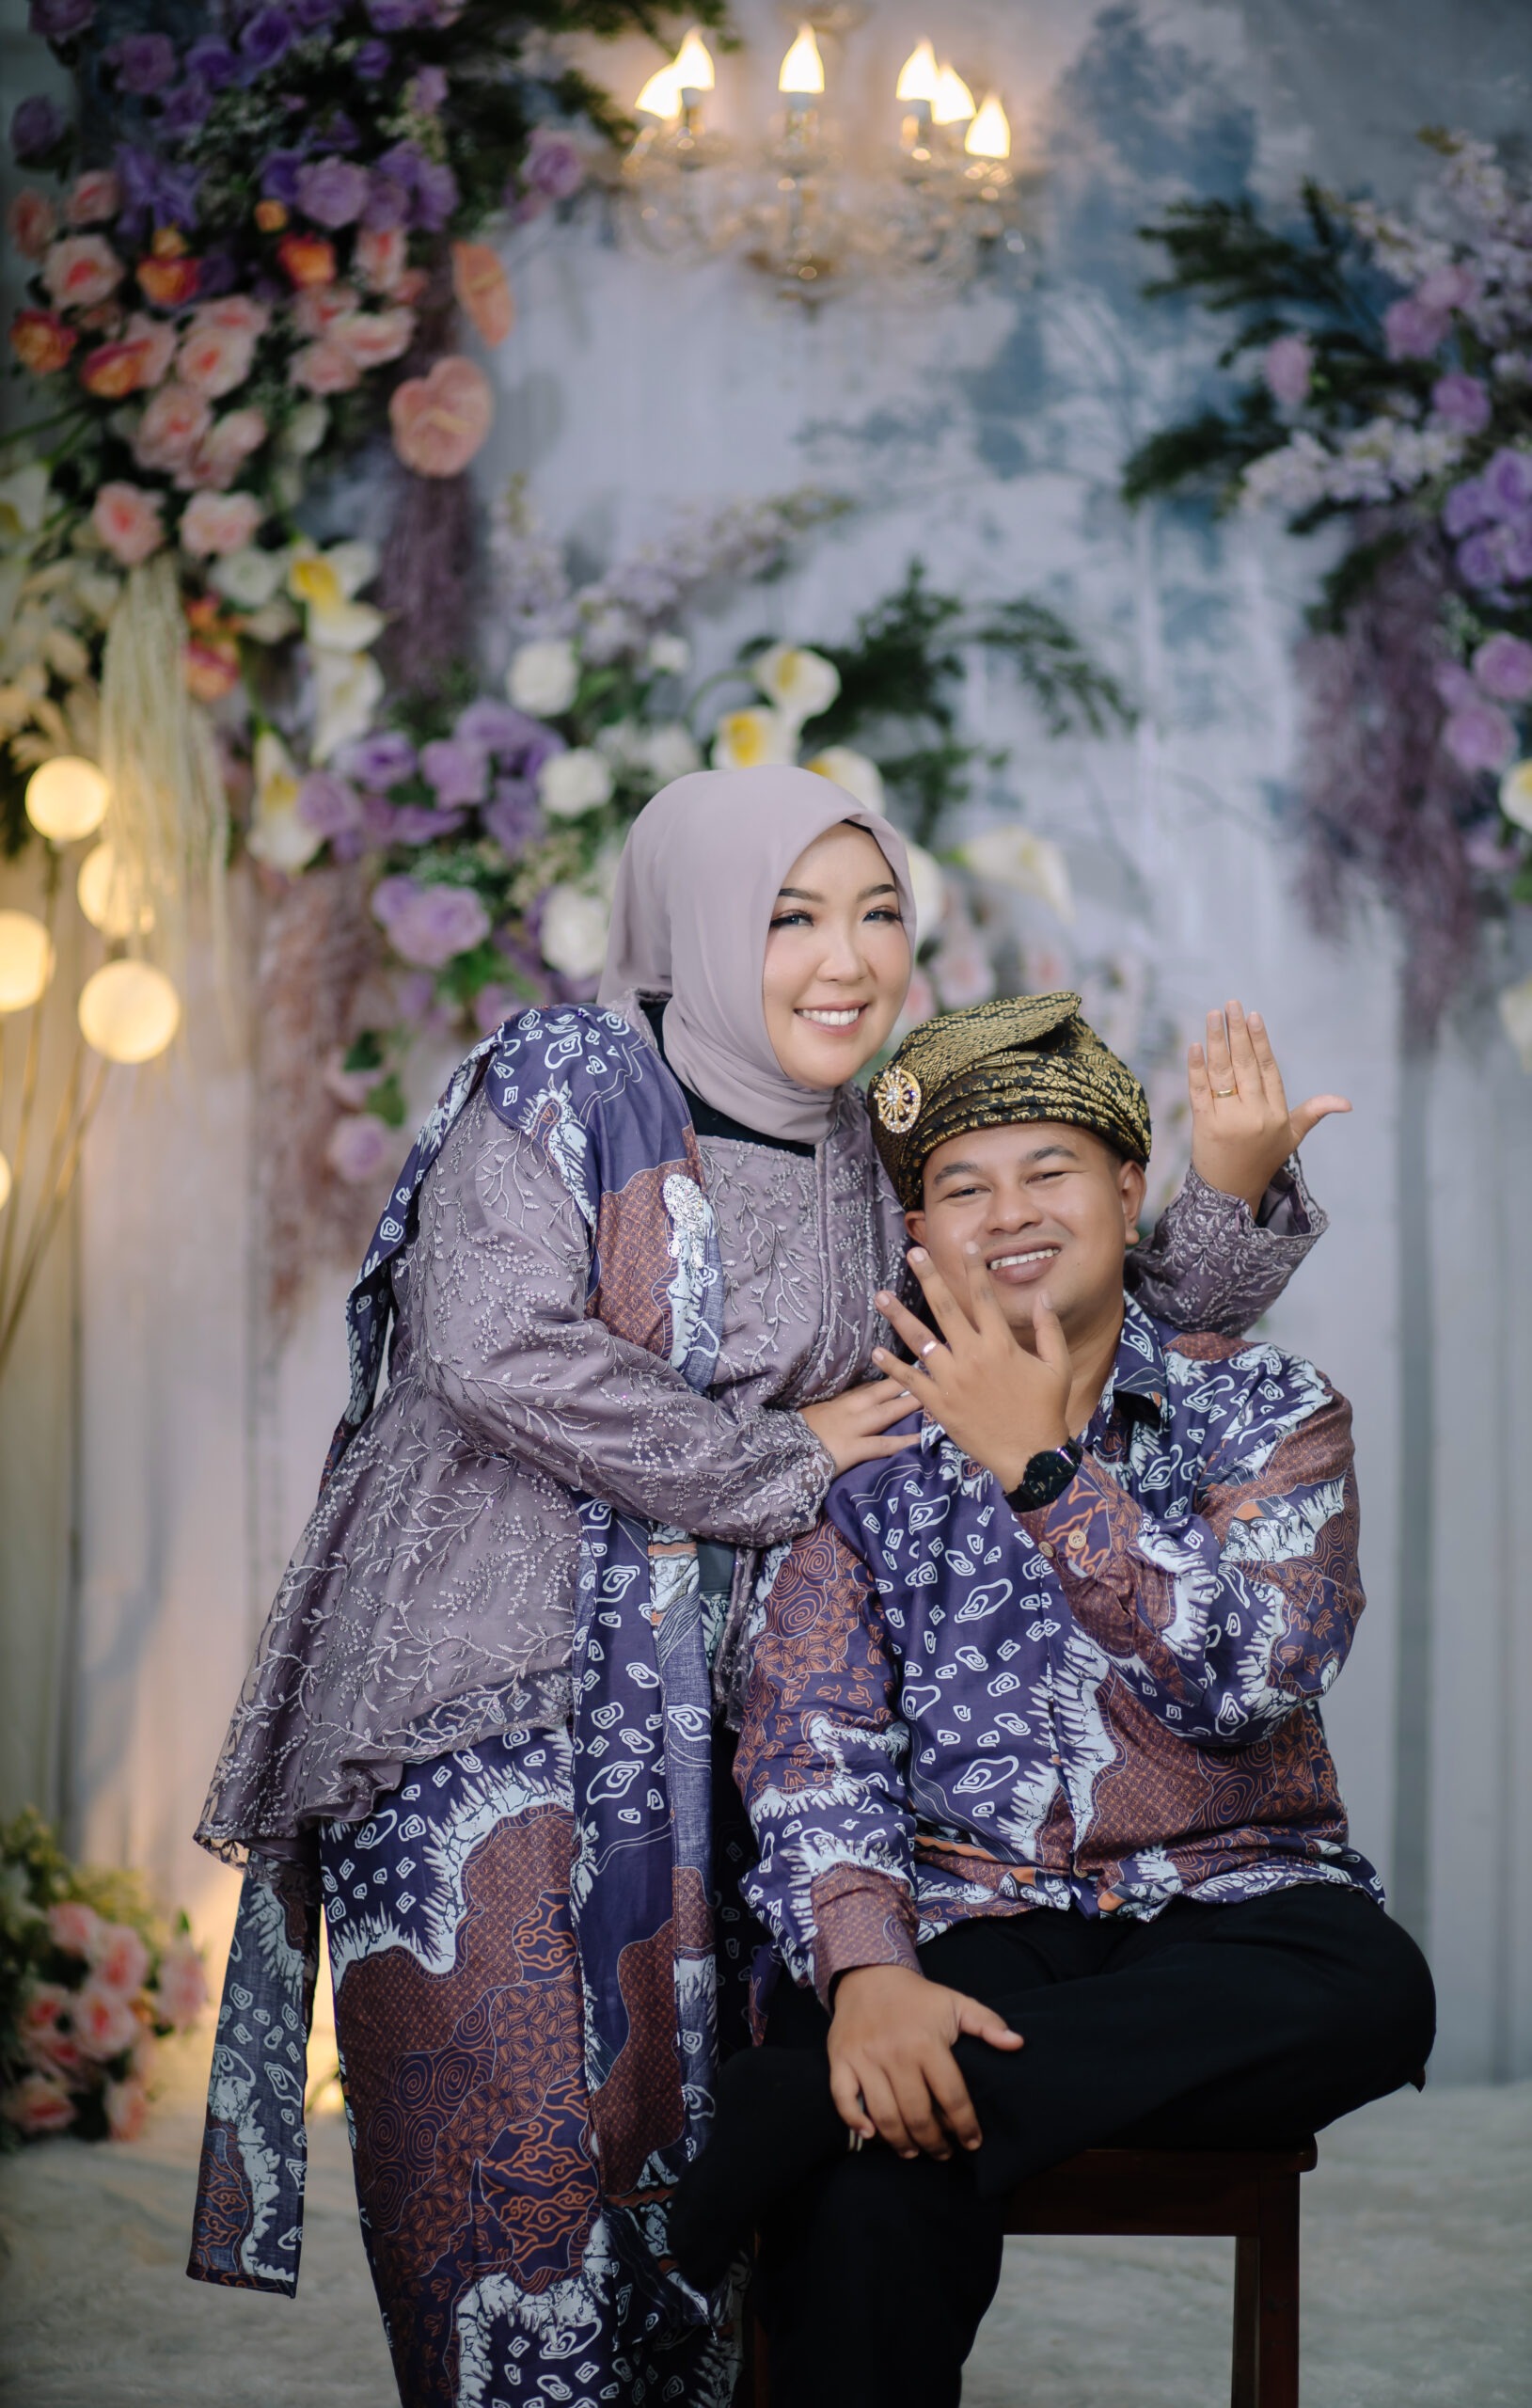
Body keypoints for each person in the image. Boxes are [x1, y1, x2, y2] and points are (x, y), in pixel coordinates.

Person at [187, 769, 1339, 2408]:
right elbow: (487, 1341)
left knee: (698, 2199)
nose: (844, 958)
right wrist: (778, 1456)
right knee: (512, 2180)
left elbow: (1069, 1312)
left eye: (878, 914)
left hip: (737, 1725)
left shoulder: (875, 1156)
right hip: (497, 1706)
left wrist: (1223, 1187)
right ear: (701, 923)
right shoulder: (570, 1074)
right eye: (791, 916)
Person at [671, 990, 1434, 2408]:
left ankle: (813, 2109)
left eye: (1049, 1172)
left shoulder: (1268, 1409)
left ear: (1131, 1192)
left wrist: (1045, 1475)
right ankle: (866, 2098)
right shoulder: (867, 1445)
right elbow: (809, 1738)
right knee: (876, 2192)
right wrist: (873, 1976)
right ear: (919, 1231)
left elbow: (1259, 1678)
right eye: (963, 1188)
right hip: (973, 1907)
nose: (1009, 1214)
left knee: (1376, 1995)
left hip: (1233, 1895)